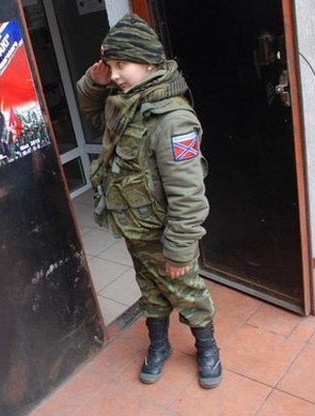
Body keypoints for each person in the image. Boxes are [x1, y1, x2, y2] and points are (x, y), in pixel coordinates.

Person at [75, 13, 221, 388]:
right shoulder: (126, 102)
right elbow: (93, 114)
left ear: (148, 62)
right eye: (110, 66)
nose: (115, 75)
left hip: (163, 233)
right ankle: (159, 344)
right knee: (149, 288)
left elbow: (188, 195)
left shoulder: (172, 120)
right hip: (135, 226)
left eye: (121, 65)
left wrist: (179, 250)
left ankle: (207, 347)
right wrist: (95, 80)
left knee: (187, 291)